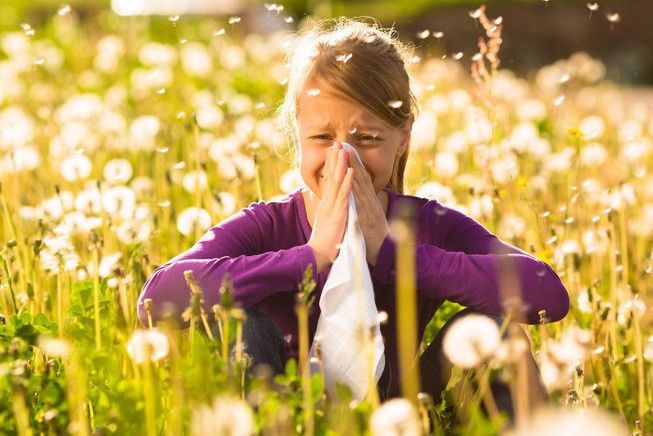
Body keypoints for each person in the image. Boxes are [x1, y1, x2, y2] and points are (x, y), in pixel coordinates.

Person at [137, 17, 569, 414]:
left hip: (404, 412)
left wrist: (395, 255)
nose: (343, 157)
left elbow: (547, 293)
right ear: (298, 136)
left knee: (497, 332)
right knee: (241, 327)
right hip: (283, 411)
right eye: (323, 137)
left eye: (366, 138)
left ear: (403, 139)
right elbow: (156, 299)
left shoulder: (427, 224)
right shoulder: (269, 224)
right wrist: (312, 255)